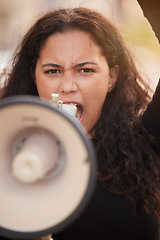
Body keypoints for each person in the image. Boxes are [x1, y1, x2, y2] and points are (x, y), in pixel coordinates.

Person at [0, 1, 160, 240]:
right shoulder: (7, 158)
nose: (67, 86)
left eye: (85, 70)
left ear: (111, 78)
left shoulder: (148, 139)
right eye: (53, 71)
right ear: (34, 76)